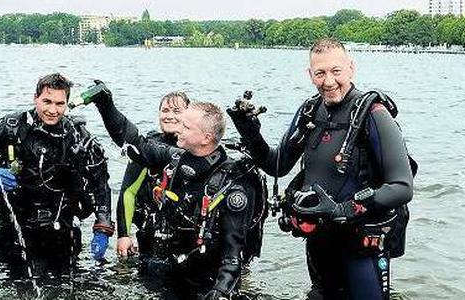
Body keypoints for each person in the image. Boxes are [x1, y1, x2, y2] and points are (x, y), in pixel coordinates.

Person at [227, 38, 415, 300]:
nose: (328, 81)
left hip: (361, 243)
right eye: (320, 73)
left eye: (336, 71)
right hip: (320, 239)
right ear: (310, 74)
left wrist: (343, 209)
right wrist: (250, 133)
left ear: (351, 68)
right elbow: (277, 164)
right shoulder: (309, 111)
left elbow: (402, 187)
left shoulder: (373, 114)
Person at [87, 84, 264, 300]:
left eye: (186, 126)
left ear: (206, 138)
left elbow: (233, 256)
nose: (178, 128)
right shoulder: (176, 158)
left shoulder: (234, 185)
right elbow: (135, 143)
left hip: (207, 282)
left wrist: (220, 292)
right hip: (173, 275)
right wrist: (106, 105)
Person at [0, 73, 113, 276]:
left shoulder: (77, 137)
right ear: (35, 98)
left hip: (62, 233)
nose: (53, 110)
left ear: (67, 103)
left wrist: (102, 227)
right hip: (15, 233)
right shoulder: (9, 128)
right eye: (47, 101)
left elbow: (101, 183)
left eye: (60, 104)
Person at [110, 91, 190, 260]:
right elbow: (128, 192)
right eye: (165, 111)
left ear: (189, 115)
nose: (169, 116)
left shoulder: (196, 148)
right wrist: (124, 236)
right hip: (152, 230)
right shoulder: (147, 147)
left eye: (176, 111)